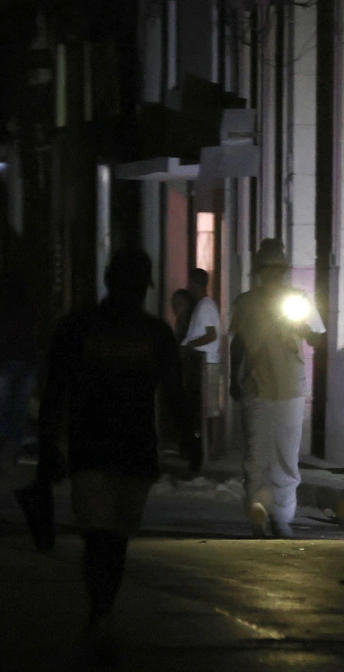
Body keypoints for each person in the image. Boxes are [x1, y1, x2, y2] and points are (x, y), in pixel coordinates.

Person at [33, 248, 199, 659]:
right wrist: (189, 440)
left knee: (108, 534)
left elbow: (55, 391)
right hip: (119, 448)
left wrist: (49, 445)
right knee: (106, 534)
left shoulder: (80, 327)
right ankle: (101, 609)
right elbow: (174, 395)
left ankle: (101, 608)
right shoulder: (146, 333)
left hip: (107, 447)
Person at [229, 238, 325, 538]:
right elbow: (237, 343)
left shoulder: (298, 299)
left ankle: (282, 516)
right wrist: (233, 378)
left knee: (285, 456)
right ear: (259, 272)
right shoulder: (246, 303)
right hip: (255, 385)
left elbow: (318, 339)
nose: (273, 275)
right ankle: (258, 513)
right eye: (267, 270)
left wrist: (302, 328)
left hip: (289, 387)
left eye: (277, 270)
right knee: (256, 457)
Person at [181, 268, 223, 461]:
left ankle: (212, 449)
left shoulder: (205, 307)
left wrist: (190, 344)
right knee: (207, 407)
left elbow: (211, 334)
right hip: (204, 361)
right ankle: (209, 448)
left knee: (209, 407)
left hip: (206, 363)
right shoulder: (204, 305)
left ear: (195, 284)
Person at [0, 270, 39, 474]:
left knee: (7, 410)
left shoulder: (8, 309)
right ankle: (11, 453)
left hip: (11, 362)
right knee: (16, 412)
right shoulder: (28, 308)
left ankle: (8, 453)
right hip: (25, 361)